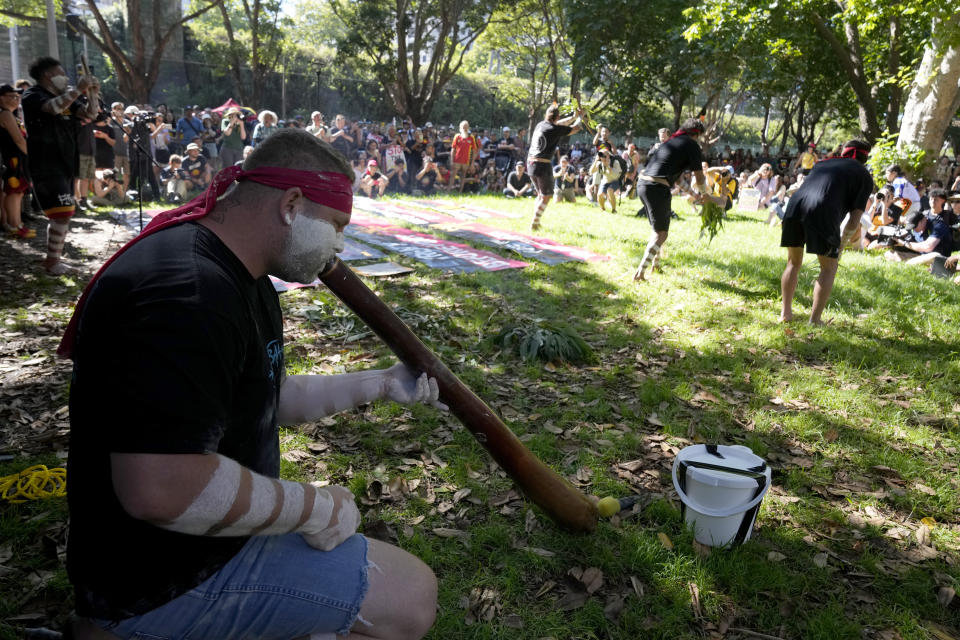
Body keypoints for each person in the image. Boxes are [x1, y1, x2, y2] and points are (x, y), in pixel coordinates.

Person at [59, 129, 438, 640]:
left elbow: (263, 396)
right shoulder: (188, 293)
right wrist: (313, 507)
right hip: (160, 580)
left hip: (213, 539)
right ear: (292, 204)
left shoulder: (244, 276)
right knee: (411, 597)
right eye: (336, 226)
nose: (340, 247)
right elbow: (161, 489)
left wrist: (382, 383)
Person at [779, 139, 874, 324]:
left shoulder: (823, 163)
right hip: (822, 211)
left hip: (794, 206)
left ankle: (785, 314)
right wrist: (842, 245)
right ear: (865, 158)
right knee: (829, 268)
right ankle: (814, 321)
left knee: (793, 263)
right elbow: (855, 220)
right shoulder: (863, 176)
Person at [21, 56, 100, 274]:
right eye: (61, 72)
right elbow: (53, 108)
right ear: (48, 75)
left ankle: (53, 259)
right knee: (62, 211)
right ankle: (52, 261)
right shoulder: (32, 95)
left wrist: (92, 95)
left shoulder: (65, 98)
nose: (65, 77)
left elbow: (90, 114)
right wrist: (79, 89)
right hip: (44, 162)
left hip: (65, 161)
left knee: (64, 212)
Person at [633, 118, 714, 282]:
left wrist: (694, 195)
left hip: (643, 185)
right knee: (661, 234)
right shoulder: (691, 145)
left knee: (657, 230)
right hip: (656, 188)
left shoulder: (671, 142)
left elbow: (677, 180)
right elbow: (699, 176)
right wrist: (705, 193)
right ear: (697, 134)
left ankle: (656, 264)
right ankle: (640, 272)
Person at [526, 104, 583, 229]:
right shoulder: (555, 129)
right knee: (546, 196)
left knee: (541, 194)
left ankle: (536, 221)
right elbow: (576, 128)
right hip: (542, 164)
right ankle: (535, 222)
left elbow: (559, 124)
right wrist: (581, 117)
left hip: (530, 163)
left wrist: (574, 116)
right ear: (557, 116)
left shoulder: (540, 125)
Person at [0, 83, 34, 238]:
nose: (16, 99)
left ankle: (18, 224)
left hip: (19, 158)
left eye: (17, 96)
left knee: (19, 192)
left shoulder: (12, 114)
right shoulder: (5, 114)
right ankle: (14, 226)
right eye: (11, 96)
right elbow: (19, 140)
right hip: (12, 159)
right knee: (14, 191)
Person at [885, 188, 954, 264]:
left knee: (934, 255)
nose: (933, 201)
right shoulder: (923, 214)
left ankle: (910, 262)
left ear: (943, 201)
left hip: (935, 256)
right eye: (931, 199)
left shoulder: (941, 222)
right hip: (920, 254)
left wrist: (904, 244)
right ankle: (912, 262)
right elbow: (901, 220)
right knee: (889, 253)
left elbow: (928, 247)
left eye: (936, 199)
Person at [449, 120, 479, 193]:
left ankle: (460, 192)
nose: (465, 128)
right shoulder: (457, 136)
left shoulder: (471, 138)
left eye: (466, 127)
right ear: (460, 128)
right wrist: (451, 161)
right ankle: (448, 191)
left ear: (468, 127)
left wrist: (472, 163)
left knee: (463, 176)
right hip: (457, 160)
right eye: (463, 127)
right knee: (453, 175)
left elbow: (475, 151)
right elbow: (453, 149)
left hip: (466, 161)